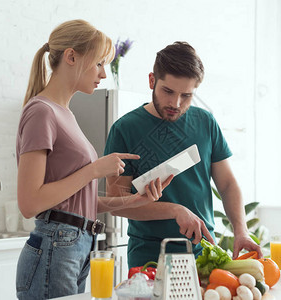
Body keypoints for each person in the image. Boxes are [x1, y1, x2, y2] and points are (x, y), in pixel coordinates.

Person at [15, 20, 173, 300]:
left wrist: (137, 200)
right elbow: (30, 203)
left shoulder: (65, 114)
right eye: (99, 63)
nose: (103, 73)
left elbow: (77, 203)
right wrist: (94, 170)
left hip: (74, 247)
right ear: (72, 56)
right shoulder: (42, 111)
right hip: (57, 246)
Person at [104, 41, 262, 268]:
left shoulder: (206, 122)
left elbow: (227, 185)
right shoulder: (124, 129)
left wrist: (241, 231)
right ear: (152, 81)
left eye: (186, 95)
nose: (175, 103)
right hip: (149, 255)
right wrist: (175, 210)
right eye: (168, 91)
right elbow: (117, 202)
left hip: (204, 252)